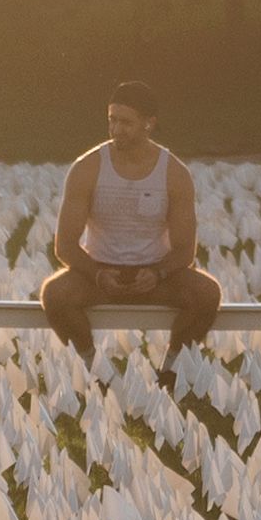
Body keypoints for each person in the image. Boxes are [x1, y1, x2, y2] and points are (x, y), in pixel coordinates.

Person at [39, 81, 222, 360]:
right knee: (54, 294)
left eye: (126, 122)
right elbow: (64, 246)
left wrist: (157, 273)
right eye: (112, 120)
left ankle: (172, 370)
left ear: (149, 124)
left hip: (156, 276)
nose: (116, 130)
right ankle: (93, 367)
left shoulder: (174, 173)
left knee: (207, 294)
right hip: (98, 274)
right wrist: (98, 274)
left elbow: (186, 250)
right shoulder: (87, 168)